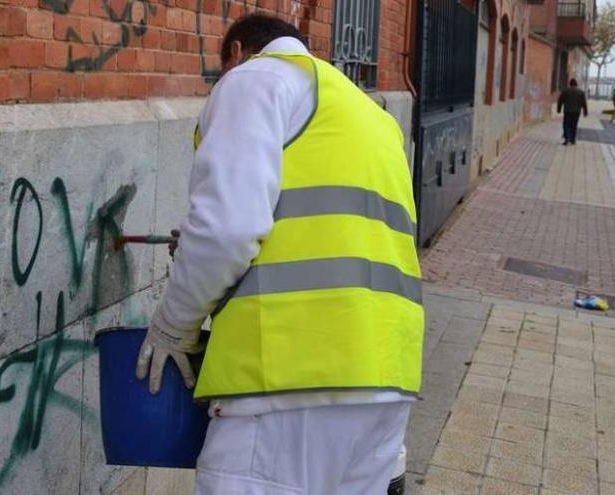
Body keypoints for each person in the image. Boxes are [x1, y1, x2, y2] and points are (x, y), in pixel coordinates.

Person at [135, 14, 424, 495]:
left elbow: (227, 231)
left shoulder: (254, 79)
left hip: (287, 381)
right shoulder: (373, 115)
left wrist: (173, 324)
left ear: (236, 53)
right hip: (387, 377)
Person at [558, 78, 588, 145]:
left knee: (566, 125)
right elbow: (584, 103)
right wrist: (585, 112)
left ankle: (567, 138)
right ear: (576, 84)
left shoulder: (565, 91)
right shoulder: (581, 92)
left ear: (570, 84)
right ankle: (573, 139)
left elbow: (560, 101)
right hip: (577, 112)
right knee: (574, 125)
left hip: (567, 111)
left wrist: (559, 110)